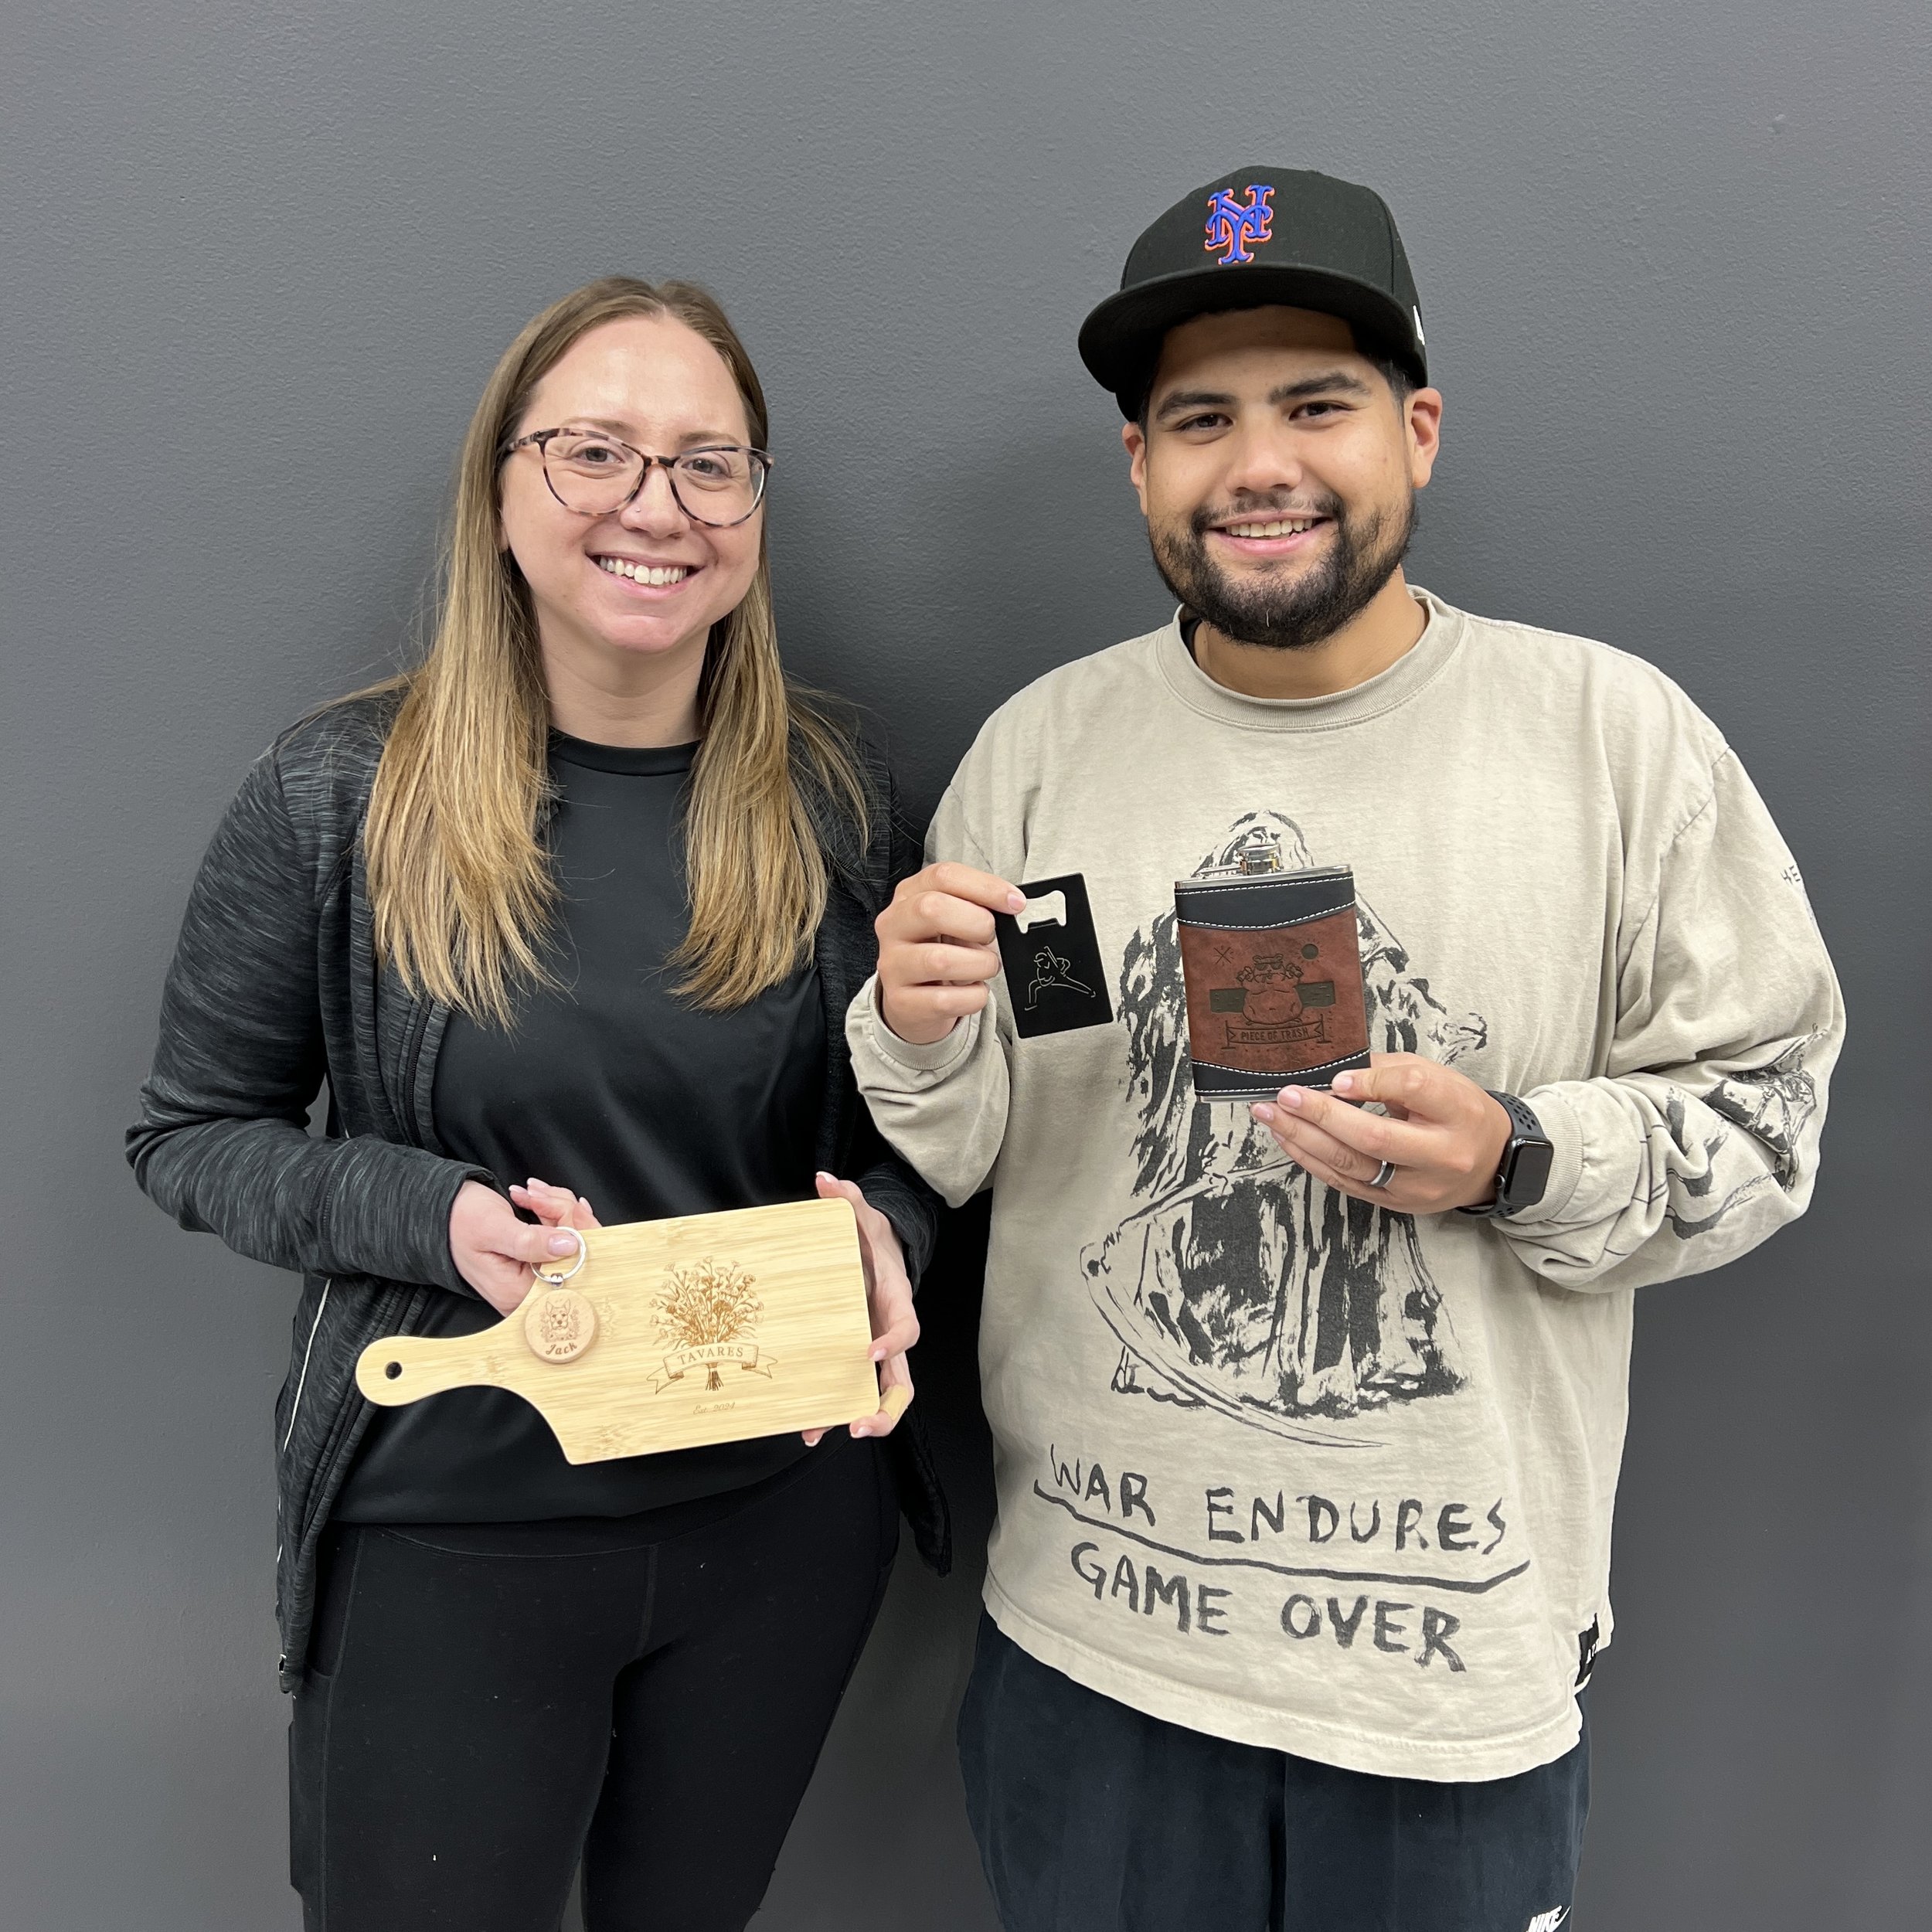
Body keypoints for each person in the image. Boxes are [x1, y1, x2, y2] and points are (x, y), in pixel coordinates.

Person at [850, 168, 1842, 1930]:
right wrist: (917, 1025)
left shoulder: (1609, 740)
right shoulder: (1043, 752)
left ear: (1418, 430)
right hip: (1090, 1656)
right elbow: (986, 1130)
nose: (1258, 463)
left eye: (1315, 404)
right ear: (1139, 464)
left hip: (1444, 1681)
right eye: (1196, 418)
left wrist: (1517, 1151)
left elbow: (1765, 1115)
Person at [127, 275, 947, 1932]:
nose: (657, 506)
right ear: (501, 493)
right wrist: (429, 1215)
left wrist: (898, 1233)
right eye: (595, 452)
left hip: (775, 1533)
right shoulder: (332, 798)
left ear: (754, 513)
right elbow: (189, 1134)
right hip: (453, 1526)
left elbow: (917, 1137)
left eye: (710, 464)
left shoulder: (837, 804)